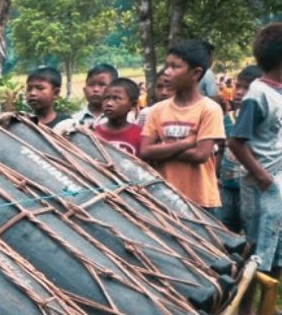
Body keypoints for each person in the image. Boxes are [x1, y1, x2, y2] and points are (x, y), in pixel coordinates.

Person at [230, 24, 282, 315]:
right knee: (257, 248)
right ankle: (246, 310)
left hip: (278, 183)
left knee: (275, 247)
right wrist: (261, 175)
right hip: (262, 184)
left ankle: (268, 305)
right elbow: (237, 141)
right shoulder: (257, 95)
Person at [141, 40, 225, 216]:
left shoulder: (209, 109)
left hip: (201, 200)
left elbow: (201, 155)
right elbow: (145, 151)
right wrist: (187, 143)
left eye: (175, 67)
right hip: (164, 198)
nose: (167, 72)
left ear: (195, 73)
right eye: (167, 66)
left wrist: (163, 146)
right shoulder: (157, 110)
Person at [221, 65, 263, 237]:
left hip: (254, 184)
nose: (239, 92)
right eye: (238, 86)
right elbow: (221, 147)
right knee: (227, 225)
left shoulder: (264, 120)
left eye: (247, 88)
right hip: (228, 184)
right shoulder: (228, 118)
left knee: (252, 226)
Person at [94, 78, 144, 155]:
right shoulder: (93, 133)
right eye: (106, 98)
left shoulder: (141, 134)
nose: (109, 104)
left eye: (117, 98)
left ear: (133, 104)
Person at [68, 64, 120, 128]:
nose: (95, 89)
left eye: (102, 84)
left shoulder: (124, 119)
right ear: (84, 90)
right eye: (91, 85)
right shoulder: (73, 121)